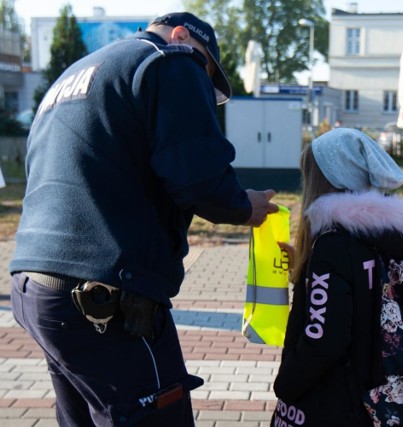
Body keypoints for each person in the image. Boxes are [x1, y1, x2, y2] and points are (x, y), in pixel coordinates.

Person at [9, 12, 278, 426]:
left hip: (35, 287)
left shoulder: (78, 73)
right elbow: (199, 175)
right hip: (104, 299)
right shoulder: (172, 58)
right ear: (183, 35)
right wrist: (245, 205)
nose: (203, 87)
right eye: (206, 74)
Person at [271, 128, 403, 426]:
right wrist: (306, 272)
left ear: (326, 181)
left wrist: (286, 384)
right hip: (371, 395)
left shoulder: (332, 246)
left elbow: (324, 340)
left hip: (331, 402)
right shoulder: (380, 236)